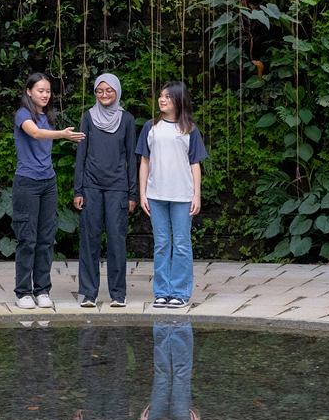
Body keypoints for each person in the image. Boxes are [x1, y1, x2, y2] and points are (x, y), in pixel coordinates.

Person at [12, 72, 83, 310]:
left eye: (48, 91)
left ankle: (42, 291)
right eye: (40, 90)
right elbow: (35, 133)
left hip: (48, 182)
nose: (45, 95)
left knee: (45, 240)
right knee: (27, 240)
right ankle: (22, 293)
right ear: (29, 91)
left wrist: (60, 132)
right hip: (27, 183)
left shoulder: (48, 116)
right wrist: (62, 134)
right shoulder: (23, 114)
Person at [135, 81, 207, 309]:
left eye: (167, 96)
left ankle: (180, 292)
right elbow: (144, 161)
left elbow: (195, 164)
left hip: (183, 196)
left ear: (179, 101)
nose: (162, 100)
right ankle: (162, 292)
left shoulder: (190, 129)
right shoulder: (151, 126)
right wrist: (142, 192)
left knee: (183, 244)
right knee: (162, 244)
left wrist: (197, 195)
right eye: (161, 96)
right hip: (156, 195)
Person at [72, 73, 138, 308]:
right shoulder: (88, 117)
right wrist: (77, 190)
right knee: (89, 240)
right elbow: (82, 154)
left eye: (108, 90)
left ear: (117, 91)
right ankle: (89, 294)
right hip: (90, 186)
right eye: (99, 91)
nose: (104, 94)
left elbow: (131, 157)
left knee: (117, 241)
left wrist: (132, 194)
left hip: (118, 189)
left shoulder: (127, 119)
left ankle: (118, 294)